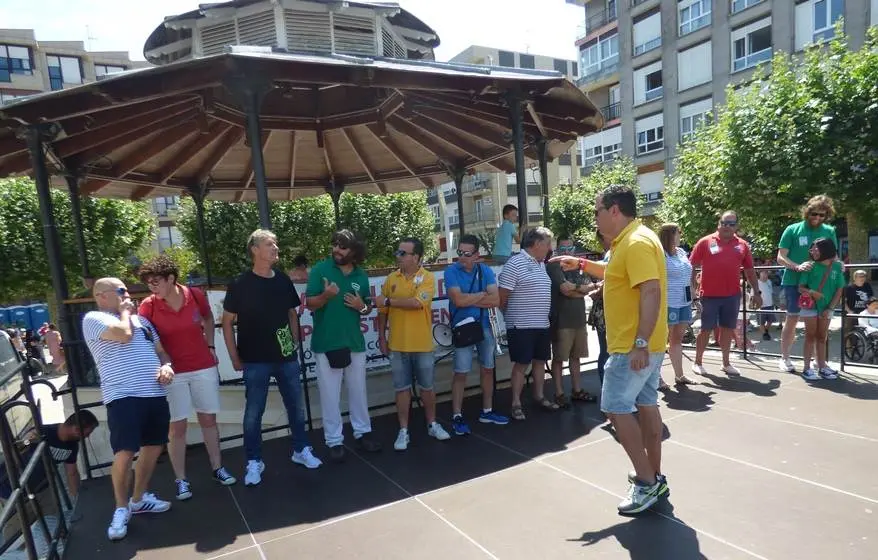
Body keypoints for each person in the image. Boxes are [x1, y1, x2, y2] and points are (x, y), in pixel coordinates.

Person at [550, 184, 669, 514]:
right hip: (643, 344)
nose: (595, 218)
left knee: (616, 407)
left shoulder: (636, 242)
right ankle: (654, 477)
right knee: (645, 404)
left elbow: (650, 292)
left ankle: (646, 483)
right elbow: (617, 273)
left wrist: (640, 343)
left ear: (614, 210)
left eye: (597, 211)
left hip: (633, 345)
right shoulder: (632, 240)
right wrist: (582, 264)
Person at [221, 229, 322, 487]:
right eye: (269, 244)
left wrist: (294, 339)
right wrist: (234, 357)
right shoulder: (240, 284)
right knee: (254, 413)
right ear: (254, 250)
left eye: (276, 243)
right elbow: (227, 322)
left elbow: (291, 312)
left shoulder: (283, 281)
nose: (276, 248)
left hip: (286, 356)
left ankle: (301, 450)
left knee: (296, 408)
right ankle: (254, 461)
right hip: (254, 359)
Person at [82, 277, 175, 541]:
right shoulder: (93, 319)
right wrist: (125, 312)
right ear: (102, 296)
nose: (127, 295)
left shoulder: (143, 322)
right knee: (125, 451)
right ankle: (121, 508)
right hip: (123, 395)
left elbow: (161, 351)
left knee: (154, 446)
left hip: (154, 393)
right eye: (121, 291)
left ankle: (138, 498)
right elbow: (123, 336)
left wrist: (167, 366)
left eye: (126, 291)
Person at [138, 255, 236, 500]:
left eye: (156, 281)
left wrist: (211, 346)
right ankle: (181, 480)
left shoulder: (195, 295)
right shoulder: (148, 306)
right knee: (177, 427)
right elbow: (145, 340)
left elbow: (207, 318)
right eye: (149, 282)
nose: (152, 286)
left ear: (171, 278)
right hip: (173, 373)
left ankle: (217, 468)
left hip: (202, 366)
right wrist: (161, 366)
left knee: (208, 420)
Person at [306, 230, 382, 461]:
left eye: (343, 247)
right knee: (330, 395)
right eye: (335, 245)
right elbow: (310, 304)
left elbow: (367, 308)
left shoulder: (361, 275)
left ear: (355, 252)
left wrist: (362, 306)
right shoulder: (320, 270)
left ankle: (363, 433)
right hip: (327, 343)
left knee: (358, 392)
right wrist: (326, 296)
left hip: (354, 343)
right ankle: (334, 441)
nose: (337, 250)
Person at [376, 237, 451, 451]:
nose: (397, 256)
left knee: (427, 388)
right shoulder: (391, 278)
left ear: (416, 257)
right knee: (401, 389)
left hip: (422, 345)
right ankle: (403, 430)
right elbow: (382, 312)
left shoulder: (427, 277)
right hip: (397, 345)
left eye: (402, 253)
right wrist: (382, 337)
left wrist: (389, 301)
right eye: (398, 252)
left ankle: (432, 424)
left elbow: (417, 303)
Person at [0, 411, 99, 542]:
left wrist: (78, 501)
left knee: (54, 521)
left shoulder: (72, 445)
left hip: (43, 488)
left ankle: (57, 545)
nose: (87, 437)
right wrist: (27, 440)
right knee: (13, 532)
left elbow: (72, 472)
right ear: (76, 429)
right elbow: (19, 446)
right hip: (13, 489)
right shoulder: (42, 431)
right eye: (88, 432)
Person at [444, 234, 508, 436]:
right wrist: (481, 295)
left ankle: (487, 411)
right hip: (462, 327)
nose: (462, 257)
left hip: (484, 326)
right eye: (459, 252)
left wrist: (468, 299)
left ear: (476, 255)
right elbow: (458, 301)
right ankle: (457, 415)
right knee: (460, 372)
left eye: (466, 253)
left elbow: (496, 300)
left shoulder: (486, 270)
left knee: (488, 369)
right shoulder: (450, 271)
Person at [689, 211, 761, 377]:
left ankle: (726, 363)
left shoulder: (742, 245)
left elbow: (750, 270)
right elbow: (691, 265)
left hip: (732, 296)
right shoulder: (705, 242)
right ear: (719, 223)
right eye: (724, 223)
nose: (727, 226)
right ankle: (698, 362)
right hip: (709, 296)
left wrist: (757, 292)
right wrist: (692, 289)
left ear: (736, 226)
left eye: (731, 224)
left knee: (728, 329)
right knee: (705, 329)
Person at [498, 227, 556, 420]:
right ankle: (516, 403)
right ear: (538, 244)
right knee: (521, 364)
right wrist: (512, 317)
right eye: (548, 244)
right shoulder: (515, 263)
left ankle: (539, 396)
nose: (550, 248)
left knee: (540, 361)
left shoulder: (541, 264)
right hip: (521, 325)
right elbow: (502, 297)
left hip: (541, 324)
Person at [776, 195, 838, 373]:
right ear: (807, 211)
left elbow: (833, 256)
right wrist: (797, 267)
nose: (818, 218)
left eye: (822, 215)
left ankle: (819, 362)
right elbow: (780, 257)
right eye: (815, 214)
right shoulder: (792, 229)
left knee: (821, 322)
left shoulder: (829, 230)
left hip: (820, 285)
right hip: (794, 282)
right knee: (793, 318)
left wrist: (838, 266)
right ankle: (785, 358)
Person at [547, 237, 597, 406]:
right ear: (557, 249)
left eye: (570, 248)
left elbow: (591, 286)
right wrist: (582, 290)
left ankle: (577, 391)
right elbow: (565, 290)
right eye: (563, 248)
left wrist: (579, 289)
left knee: (577, 357)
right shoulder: (554, 265)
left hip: (579, 320)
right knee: (560, 358)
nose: (567, 252)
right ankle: (559, 393)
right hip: (562, 320)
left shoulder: (578, 265)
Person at [798, 238, 844, 380]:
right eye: (812, 249)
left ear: (826, 250)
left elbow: (839, 289)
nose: (812, 251)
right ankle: (806, 368)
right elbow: (800, 287)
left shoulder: (836, 266)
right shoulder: (810, 266)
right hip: (811, 306)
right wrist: (813, 293)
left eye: (816, 249)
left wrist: (830, 308)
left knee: (822, 337)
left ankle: (822, 366)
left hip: (827, 307)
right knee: (810, 336)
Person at [658, 224, 696, 388]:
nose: (680, 235)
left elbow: (688, 278)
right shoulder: (660, 254)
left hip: (684, 301)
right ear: (669, 235)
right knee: (662, 340)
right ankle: (656, 378)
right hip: (668, 302)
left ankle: (679, 375)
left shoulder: (681, 252)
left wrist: (695, 299)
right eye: (678, 233)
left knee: (677, 339)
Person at [588, 229, 611, 385]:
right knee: (608, 352)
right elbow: (609, 279)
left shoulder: (613, 253)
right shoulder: (612, 254)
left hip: (606, 310)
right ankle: (607, 390)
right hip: (606, 311)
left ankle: (608, 390)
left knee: (607, 351)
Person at [844, 269, 873, 334]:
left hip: (865, 313)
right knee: (850, 333)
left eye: (863, 276)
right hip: (853, 313)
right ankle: (849, 344)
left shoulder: (867, 286)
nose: (862, 278)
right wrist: (850, 311)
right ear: (855, 278)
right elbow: (843, 302)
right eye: (860, 276)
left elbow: (871, 297)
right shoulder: (849, 288)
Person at [756, 270, 777, 341]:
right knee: (761, 322)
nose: (766, 275)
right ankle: (765, 334)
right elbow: (753, 295)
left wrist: (774, 302)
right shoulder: (756, 283)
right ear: (760, 274)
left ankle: (765, 330)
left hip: (770, 304)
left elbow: (771, 293)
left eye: (766, 273)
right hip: (761, 306)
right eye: (764, 273)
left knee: (771, 320)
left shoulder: (769, 282)